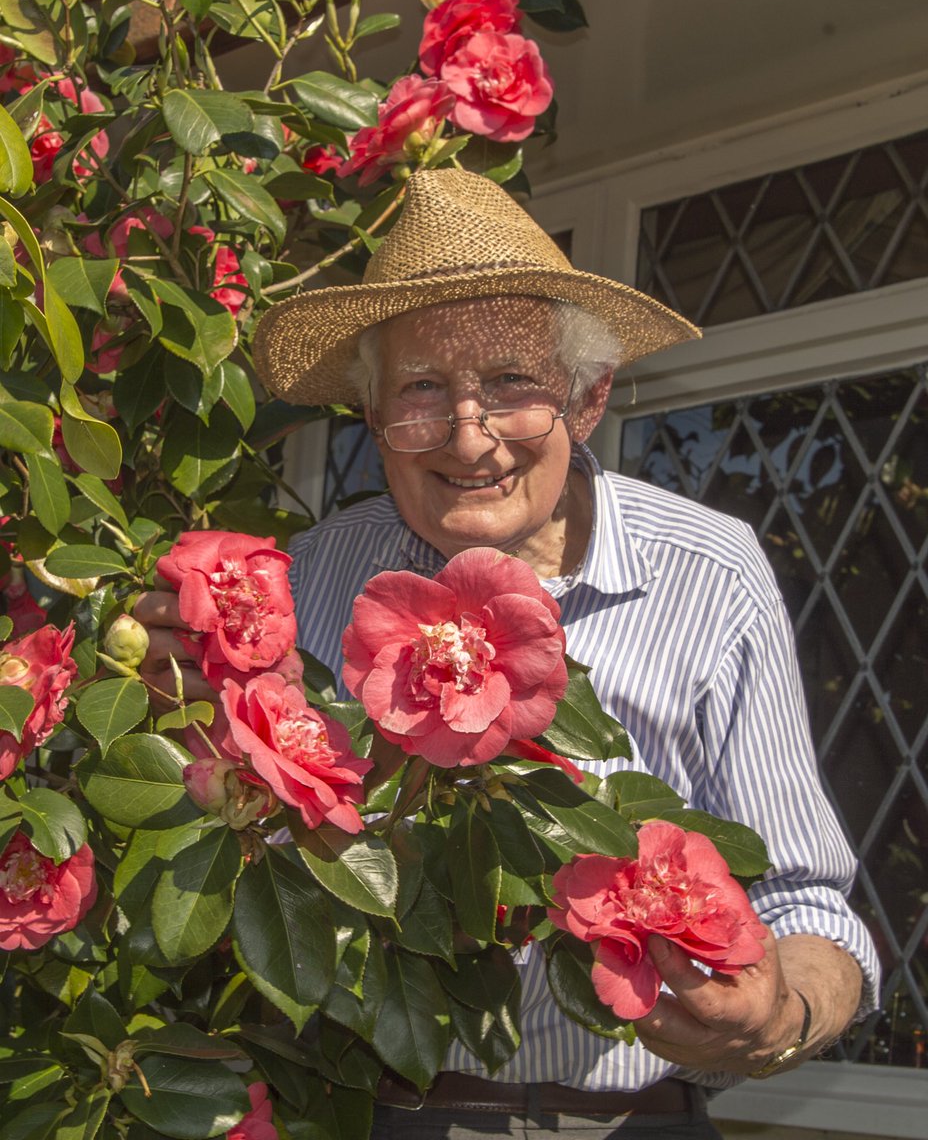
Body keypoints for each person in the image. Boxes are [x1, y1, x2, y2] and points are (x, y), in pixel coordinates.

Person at [138, 169, 879, 1139]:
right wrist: (181, 728)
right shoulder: (308, 579)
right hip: (372, 1113)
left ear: (586, 397)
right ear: (371, 417)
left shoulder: (708, 573)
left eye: (510, 381)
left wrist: (778, 1017)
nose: (467, 435)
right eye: (420, 390)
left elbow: (806, 899)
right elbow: (250, 856)